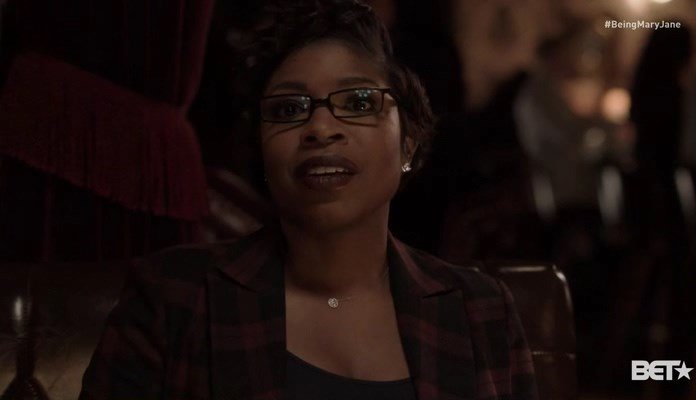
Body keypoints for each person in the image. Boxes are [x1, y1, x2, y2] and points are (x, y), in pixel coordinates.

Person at [79, 1, 537, 399]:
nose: (320, 128)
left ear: (408, 145)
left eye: (359, 103)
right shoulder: (172, 298)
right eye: (288, 109)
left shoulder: (480, 312)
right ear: (261, 150)